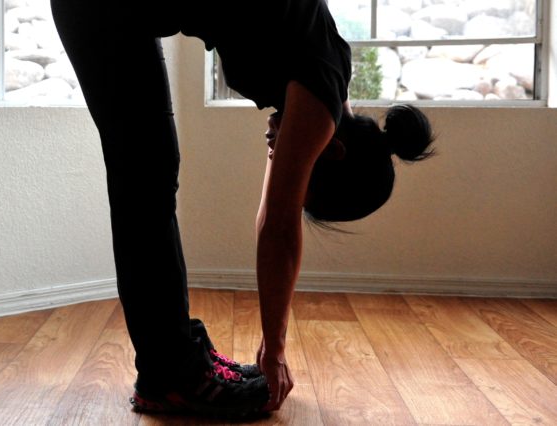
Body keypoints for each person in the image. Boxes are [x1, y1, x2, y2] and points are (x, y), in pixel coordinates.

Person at [49, 0, 435, 418]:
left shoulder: (323, 84)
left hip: (124, 15)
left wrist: (272, 344)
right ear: (335, 151)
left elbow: (272, 211)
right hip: (104, 11)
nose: (277, 153)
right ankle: (170, 377)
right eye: (309, 184)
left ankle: (179, 361)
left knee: (151, 173)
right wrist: (275, 350)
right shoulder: (318, 104)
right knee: (146, 178)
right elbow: (279, 225)